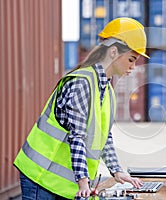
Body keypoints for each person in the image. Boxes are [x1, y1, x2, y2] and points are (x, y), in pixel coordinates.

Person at [14, 17, 149, 199]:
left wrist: (117, 171)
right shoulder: (82, 83)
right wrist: (83, 182)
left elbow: (104, 137)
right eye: (131, 59)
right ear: (114, 52)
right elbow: (77, 136)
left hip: (63, 183)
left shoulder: (107, 90)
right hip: (41, 175)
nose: (133, 67)